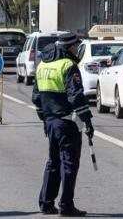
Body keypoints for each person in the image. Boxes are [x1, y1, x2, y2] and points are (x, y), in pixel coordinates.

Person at [32, 32, 94, 217]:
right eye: (75, 46)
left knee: (53, 162)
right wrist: (87, 121)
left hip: (50, 121)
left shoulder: (43, 65)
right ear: (69, 47)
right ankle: (66, 206)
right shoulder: (68, 65)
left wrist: (45, 120)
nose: (77, 49)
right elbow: (76, 96)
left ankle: (46, 203)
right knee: (68, 164)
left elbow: (36, 97)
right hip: (67, 122)